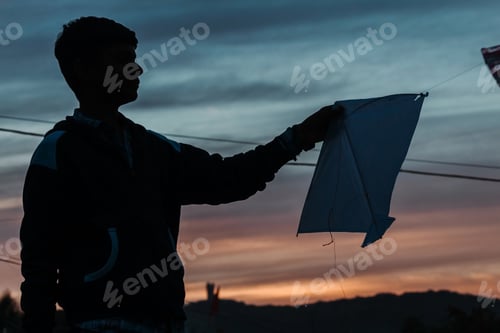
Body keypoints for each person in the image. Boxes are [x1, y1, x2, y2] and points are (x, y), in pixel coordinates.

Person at [19, 16, 343, 333]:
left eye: (135, 59)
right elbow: (39, 263)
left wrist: (298, 137)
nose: (137, 69)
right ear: (82, 68)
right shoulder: (59, 152)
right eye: (122, 60)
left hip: (167, 323)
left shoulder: (156, 150)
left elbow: (230, 179)